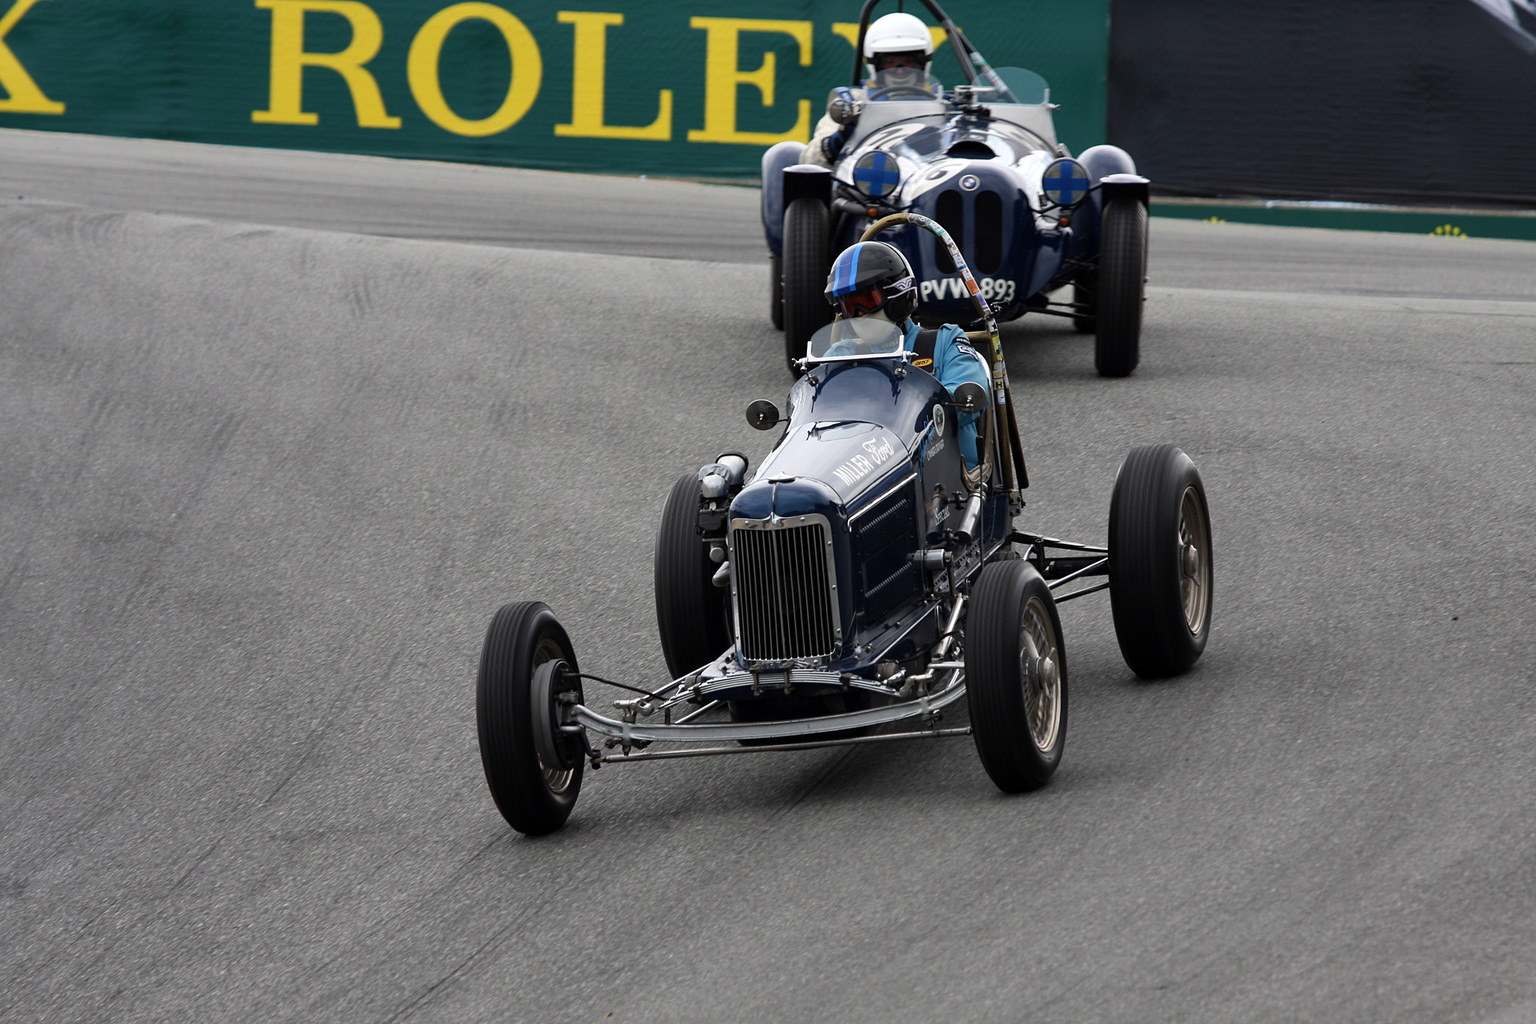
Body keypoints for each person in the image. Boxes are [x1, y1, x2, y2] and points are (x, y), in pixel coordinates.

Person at [823, 241, 990, 469]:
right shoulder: (842, 355)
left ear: (898, 298)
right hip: (870, 472)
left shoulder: (944, 343)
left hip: (947, 482)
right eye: (848, 305)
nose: (857, 314)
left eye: (866, 301)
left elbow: (968, 400)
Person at [801, 12, 941, 168]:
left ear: (922, 63)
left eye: (908, 61)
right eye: (890, 62)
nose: (899, 70)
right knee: (784, 152)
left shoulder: (941, 104)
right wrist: (841, 136)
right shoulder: (852, 102)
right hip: (864, 183)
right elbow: (810, 161)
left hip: (923, 182)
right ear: (876, 63)